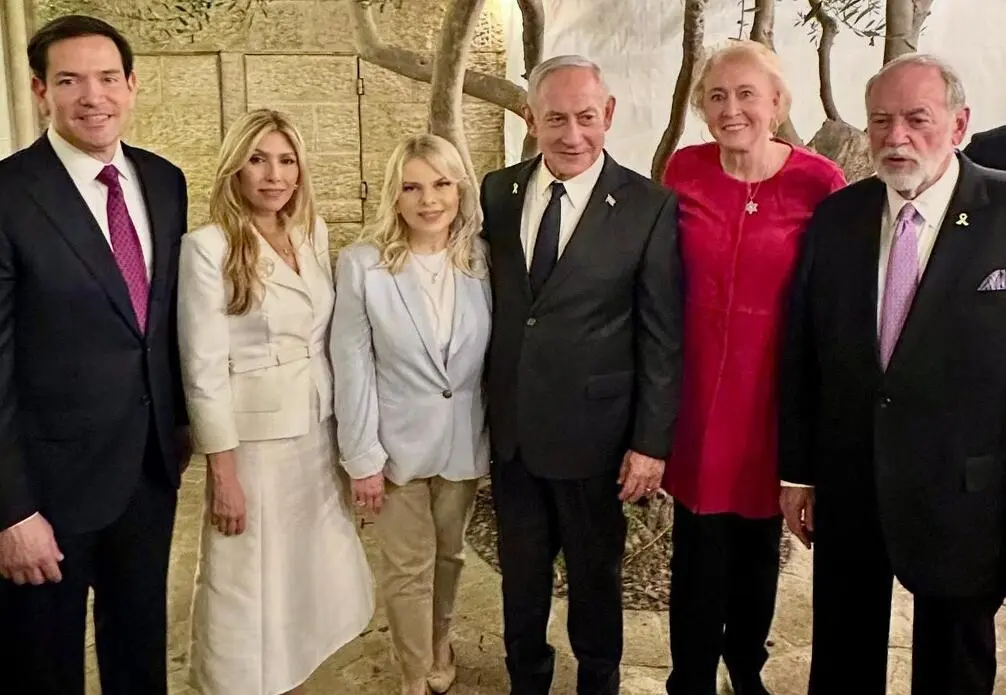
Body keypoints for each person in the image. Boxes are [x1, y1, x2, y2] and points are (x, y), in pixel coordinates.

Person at [780, 53, 1006, 695]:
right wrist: (797, 472)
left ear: (959, 125)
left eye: (917, 119)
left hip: (965, 490)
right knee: (844, 653)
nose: (896, 137)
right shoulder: (838, 217)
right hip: (853, 480)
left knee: (955, 663)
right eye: (881, 120)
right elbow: (804, 350)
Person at [481, 54, 682, 695]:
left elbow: (661, 334)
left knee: (596, 578)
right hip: (513, 431)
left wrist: (651, 443)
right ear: (531, 118)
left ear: (610, 115)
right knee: (522, 576)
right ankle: (526, 680)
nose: (573, 135)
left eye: (587, 118)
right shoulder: (498, 189)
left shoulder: (649, 206)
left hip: (597, 436)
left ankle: (599, 680)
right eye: (557, 119)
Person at [0, 14, 189, 695]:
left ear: (132, 85)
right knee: (41, 663)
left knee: (140, 650)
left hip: (147, 468)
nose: (93, 96)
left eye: (108, 78)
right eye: (70, 80)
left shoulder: (165, 182)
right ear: (40, 90)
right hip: (46, 489)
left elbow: (161, 324)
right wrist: (10, 509)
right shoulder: (9, 194)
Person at [659, 40, 845, 695]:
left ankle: (745, 666)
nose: (731, 108)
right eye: (716, 95)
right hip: (697, 401)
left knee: (760, 549)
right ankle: (690, 677)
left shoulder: (820, 181)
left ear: (776, 101)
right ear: (701, 107)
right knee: (698, 548)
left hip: (775, 399)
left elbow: (834, 299)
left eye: (746, 94)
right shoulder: (682, 170)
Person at [178, 109, 373, 695]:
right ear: (235, 168)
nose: (274, 175)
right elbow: (203, 367)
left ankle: (293, 675)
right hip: (254, 444)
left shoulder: (311, 233)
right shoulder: (207, 247)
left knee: (305, 570)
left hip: (317, 427)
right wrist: (224, 472)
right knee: (247, 578)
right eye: (259, 159)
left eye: (286, 160)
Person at [331, 133, 491, 695]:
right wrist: (361, 458)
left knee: (449, 556)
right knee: (406, 568)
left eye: (441, 183)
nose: (429, 200)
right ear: (394, 198)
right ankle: (412, 672)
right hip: (393, 447)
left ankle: (439, 640)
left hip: (463, 443)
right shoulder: (362, 265)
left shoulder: (483, 259)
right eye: (413, 187)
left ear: (459, 188)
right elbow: (351, 367)